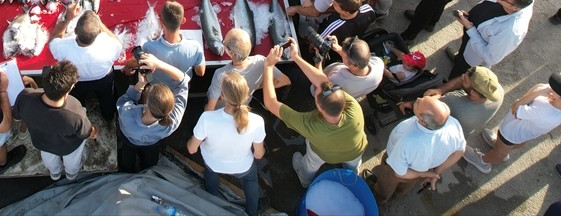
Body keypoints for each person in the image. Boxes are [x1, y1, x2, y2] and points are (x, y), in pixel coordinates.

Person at [263, 40, 366, 186]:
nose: (319, 85)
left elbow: (271, 103)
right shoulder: (352, 106)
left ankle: (304, 179)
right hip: (355, 150)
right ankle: (352, 173)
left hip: (325, 153)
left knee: (310, 163)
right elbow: (323, 82)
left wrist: (268, 66)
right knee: (353, 163)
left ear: (320, 107)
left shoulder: (311, 125)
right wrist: (296, 57)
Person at [463, 75, 561, 175]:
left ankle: (484, 161)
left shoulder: (543, 113)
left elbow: (515, 108)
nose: (551, 86)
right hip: (523, 134)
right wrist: (540, 91)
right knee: (513, 145)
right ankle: (499, 146)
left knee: (500, 152)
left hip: (511, 133)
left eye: (556, 89)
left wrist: (537, 92)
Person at [186, 72, 265, 216]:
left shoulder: (207, 118)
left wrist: (191, 139)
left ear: (222, 96)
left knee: (210, 173)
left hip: (213, 163)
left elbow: (192, 149)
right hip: (243, 166)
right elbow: (259, 154)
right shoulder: (257, 121)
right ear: (247, 94)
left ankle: (212, 200)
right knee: (251, 180)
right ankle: (252, 211)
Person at [368, 95, 465, 201]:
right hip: (420, 168)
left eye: (419, 103)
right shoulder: (453, 124)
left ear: (423, 122)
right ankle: (398, 192)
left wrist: (423, 174)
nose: (418, 98)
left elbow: (399, 173)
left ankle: (379, 197)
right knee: (407, 183)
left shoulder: (407, 140)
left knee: (386, 184)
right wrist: (435, 172)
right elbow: (460, 151)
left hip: (396, 166)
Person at [14, 60, 98, 180]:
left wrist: (32, 82)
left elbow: (17, 117)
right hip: (69, 147)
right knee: (72, 160)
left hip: (42, 143)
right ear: (68, 91)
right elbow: (88, 134)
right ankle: (71, 174)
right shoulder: (75, 112)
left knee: (49, 158)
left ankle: (54, 173)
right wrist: (95, 130)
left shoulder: (25, 96)